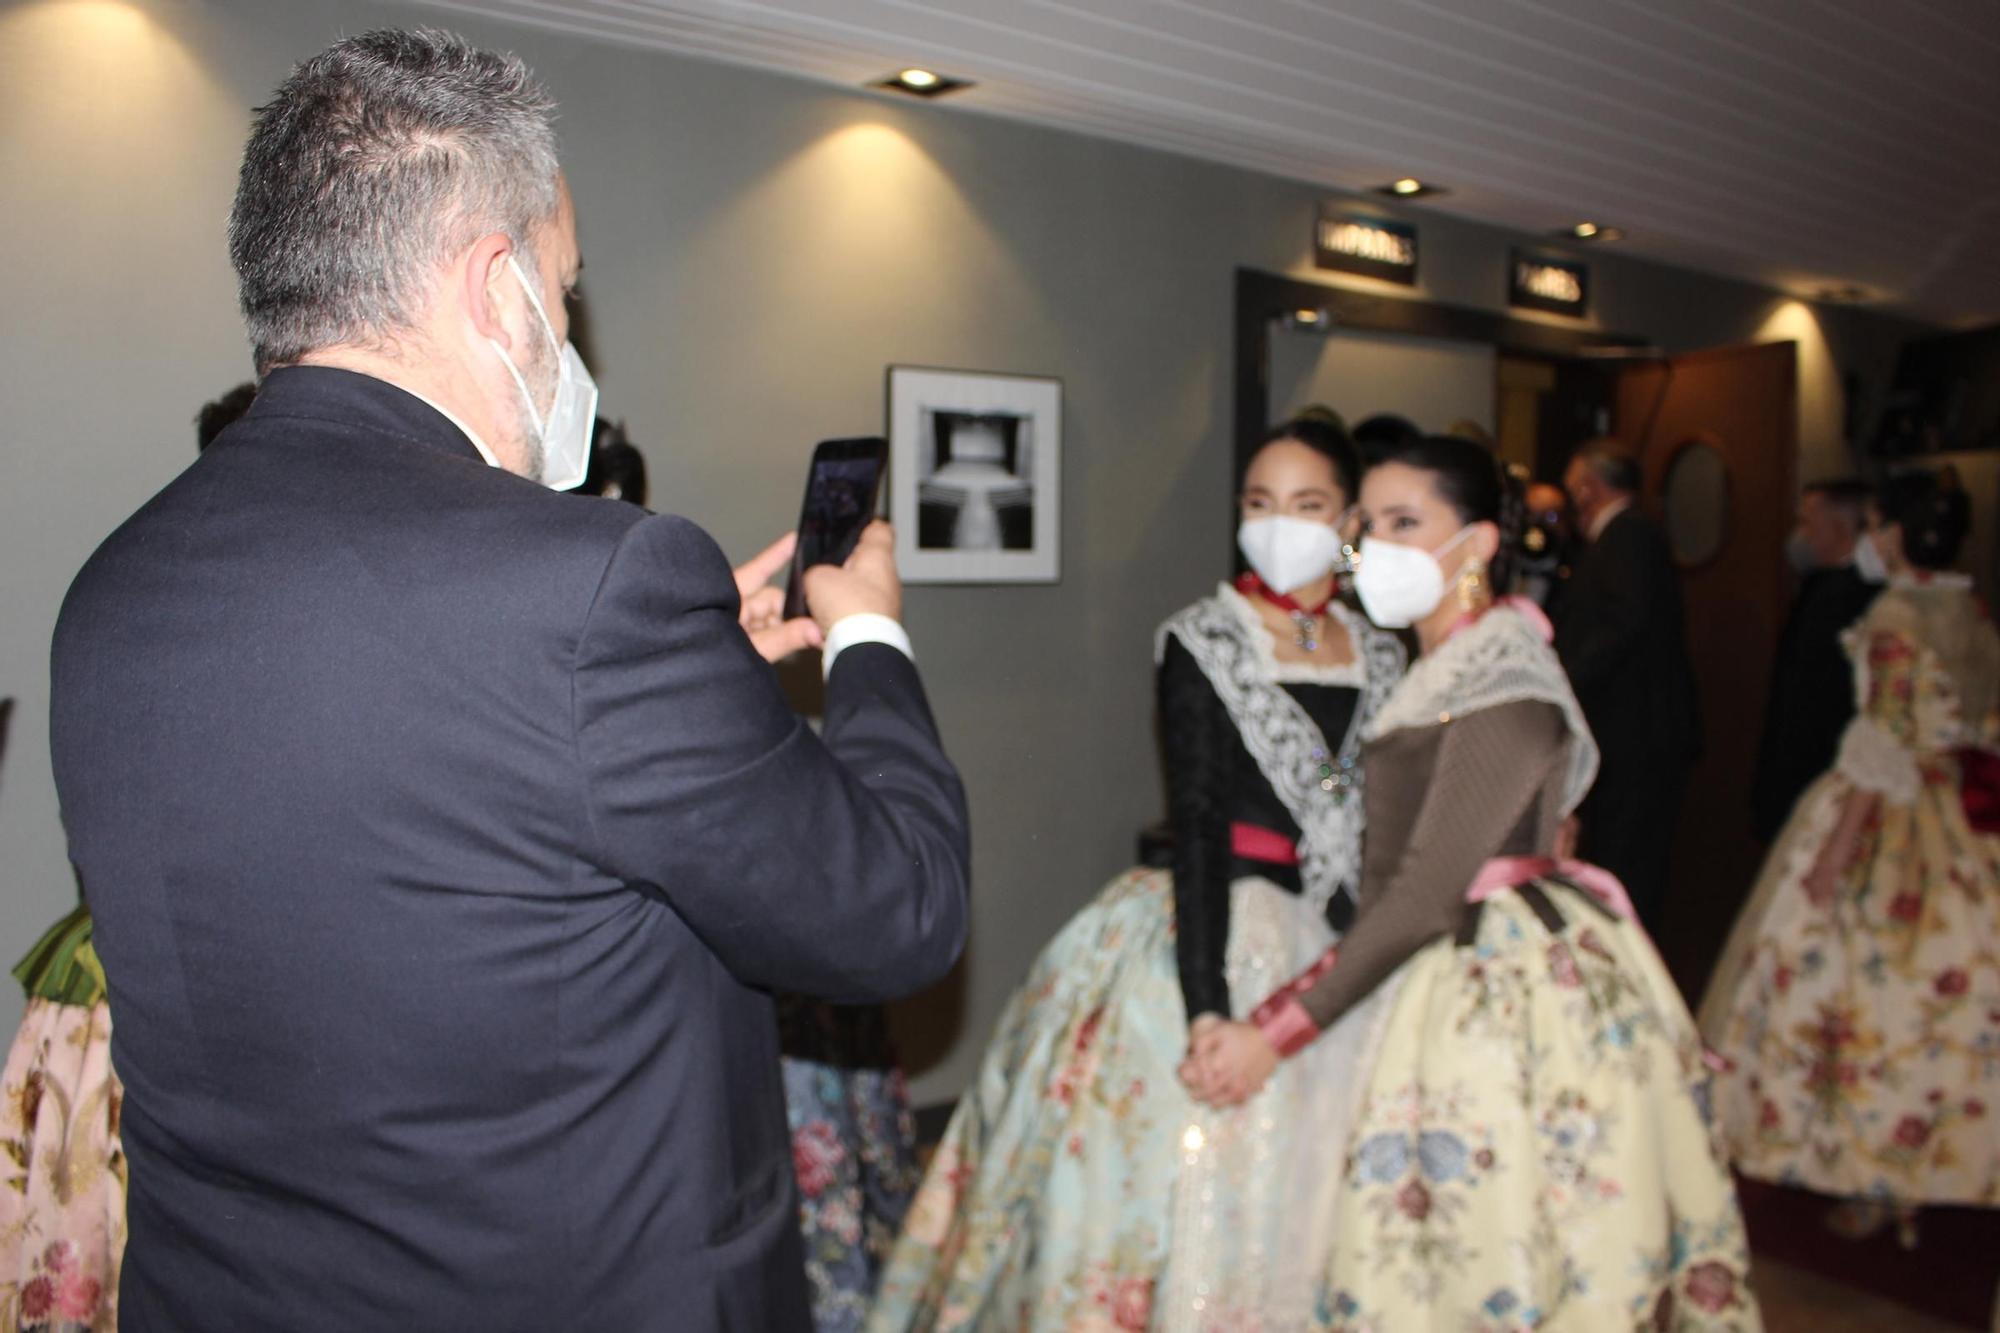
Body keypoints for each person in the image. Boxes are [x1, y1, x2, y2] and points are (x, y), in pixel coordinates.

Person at [49, 29, 970, 1331]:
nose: (568, 335)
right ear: (497, 287)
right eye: (567, 283)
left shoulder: (111, 593)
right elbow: (897, 912)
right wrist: (867, 637)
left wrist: (703, 697)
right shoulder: (591, 588)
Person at [1185, 436, 1758, 1330]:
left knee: (1499, 1245)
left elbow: (1421, 893)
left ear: (1482, 544)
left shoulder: (1502, 678)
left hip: (1493, 989)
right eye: (1366, 524)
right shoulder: (1436, 667)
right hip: (1431, 966)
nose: (1374, 545)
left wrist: (1273, 1033)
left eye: (1406, 522)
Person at [867, 419, 1405, 1329]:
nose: (1281, 522)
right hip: (1208, 927)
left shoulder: (1387, 652)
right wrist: (1207, 1005)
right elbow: (1196, 822)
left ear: (1348, 517)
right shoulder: (1203, 636)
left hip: (1343, 942)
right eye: (1259, 503)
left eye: (1307, 505)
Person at [1701, 470, 1999, 1242]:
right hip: (1962, 809)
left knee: (1858, 988)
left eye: (1874, 525)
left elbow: (1883, 738)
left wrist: (1836, 850)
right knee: (1944, 992)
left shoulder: (1898, 611)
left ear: (1893, 532)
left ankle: (1872, 1166)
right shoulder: (1970, 607)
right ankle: (1929, 1156)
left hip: (1891, 811)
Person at [1556, 439, 1700, 930]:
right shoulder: (1622, 538)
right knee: (1621, 853)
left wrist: (1563, 679)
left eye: (1573, 485)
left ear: (1588, 488)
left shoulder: (1629, 536)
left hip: (1640, 736)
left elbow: (1624, 623)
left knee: (1631, 861)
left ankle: (1629, 963)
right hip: (1630, 734)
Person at [1750, 480, 1881, 844]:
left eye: (1809, 522)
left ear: (1839, 527)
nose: (1801, 535)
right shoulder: (1820, 589)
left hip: (1823, 763)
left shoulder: (1848, 597)